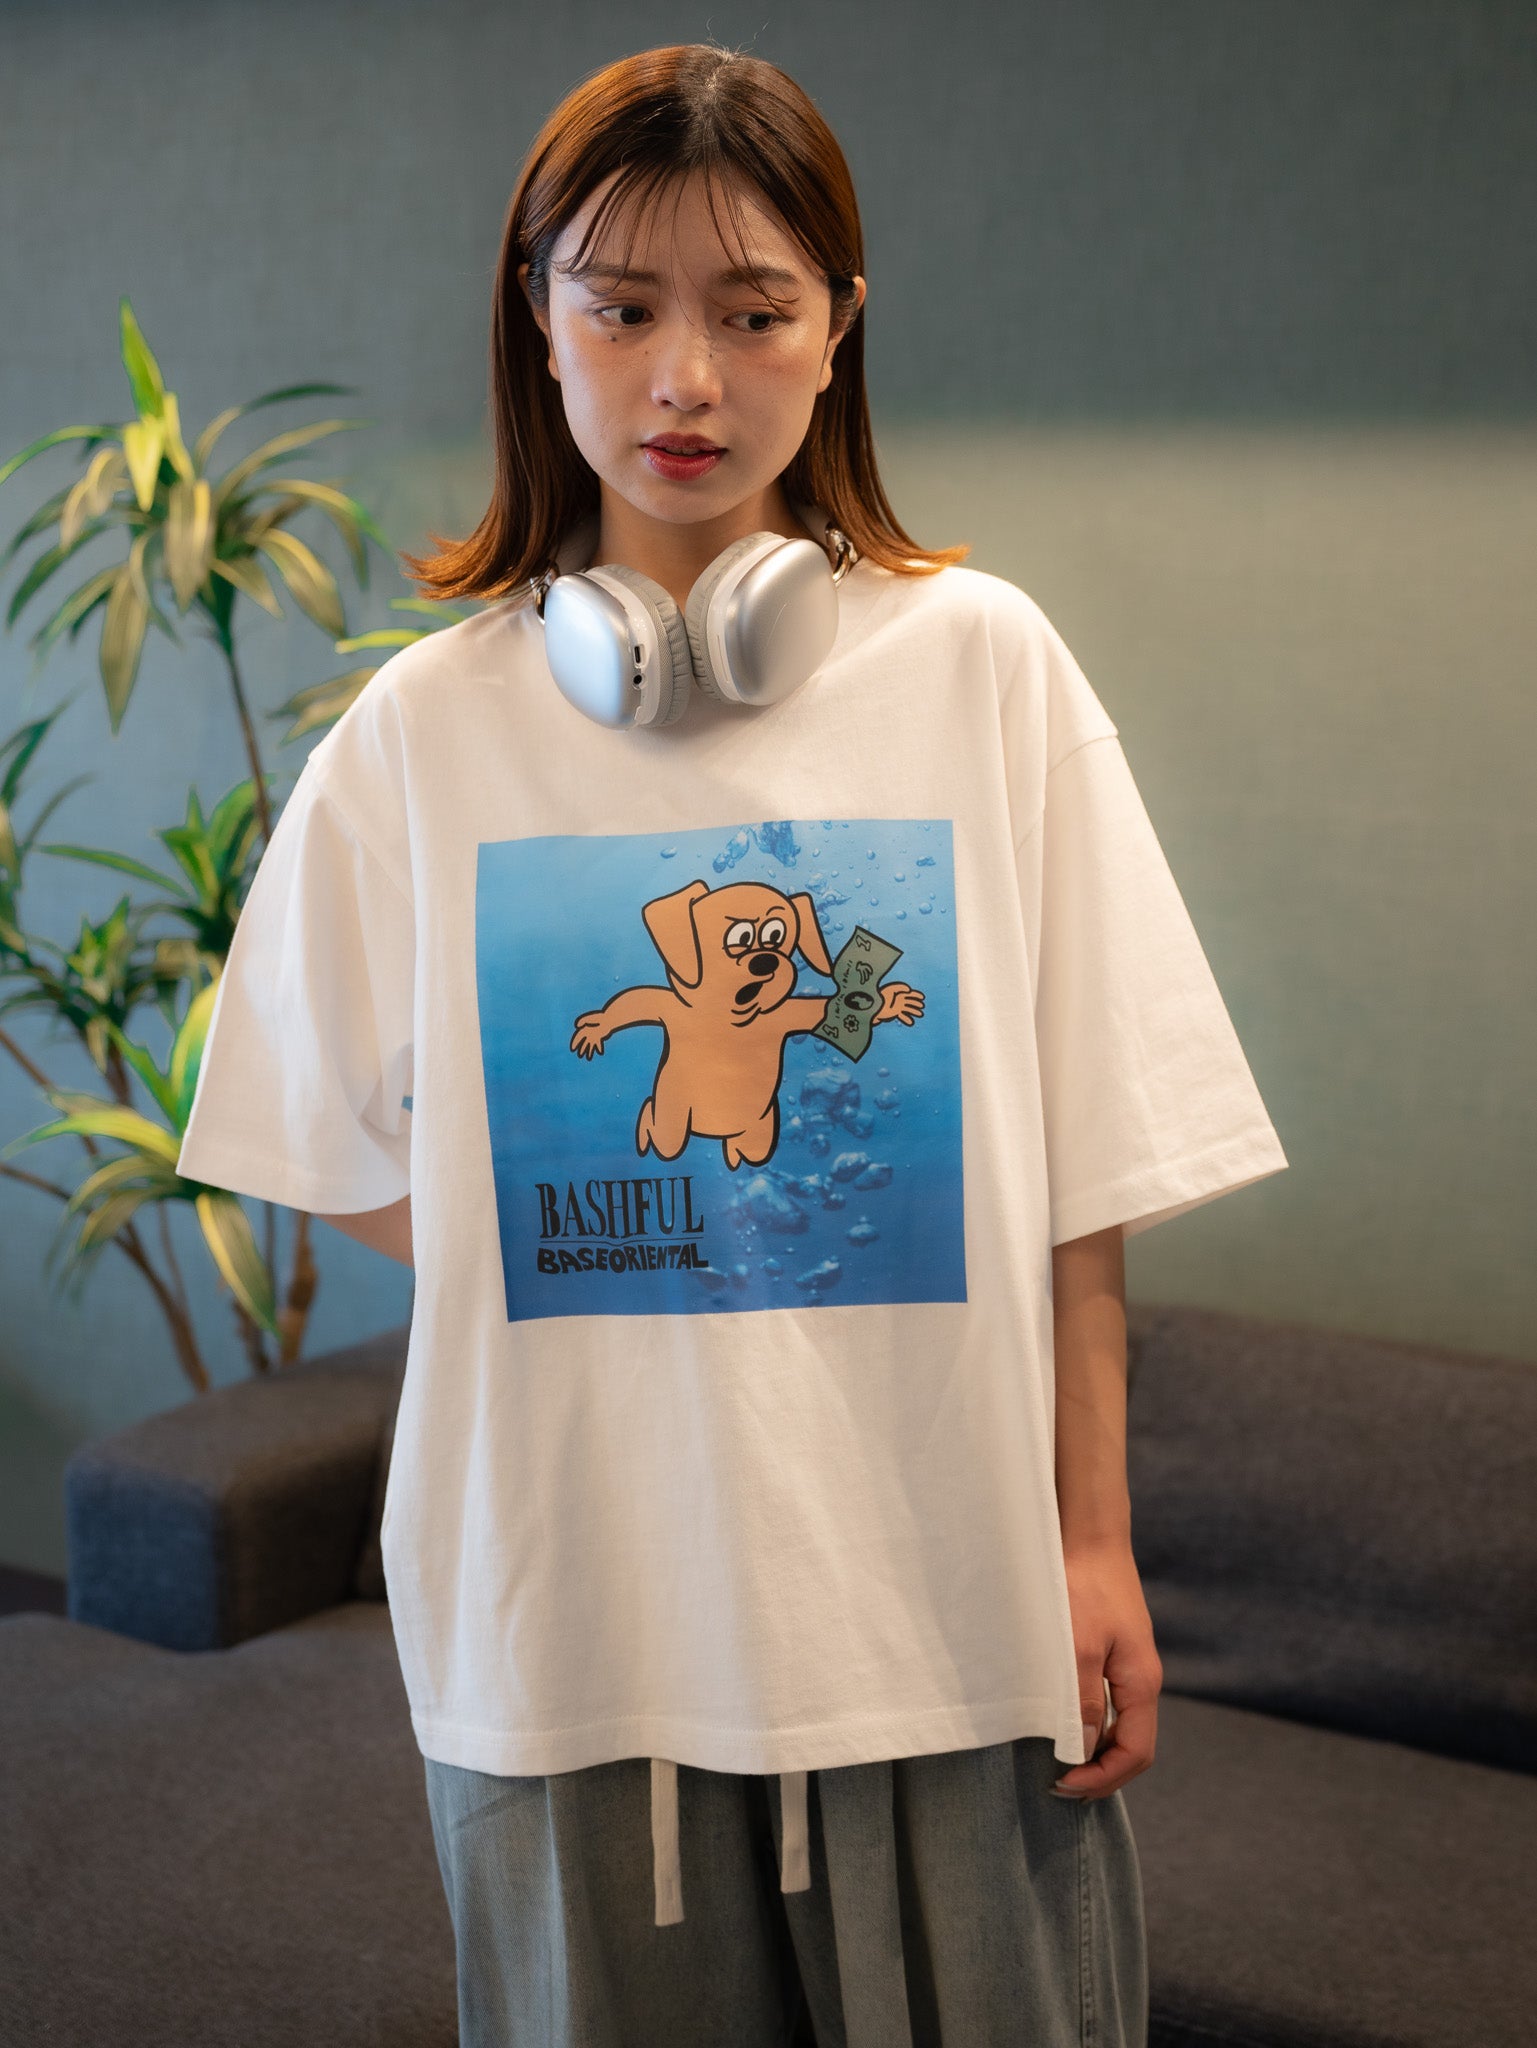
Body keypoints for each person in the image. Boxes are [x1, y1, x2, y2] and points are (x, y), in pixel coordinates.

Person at [176, 40, 1288, 2048]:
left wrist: (1090, 1541)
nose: (684, 378)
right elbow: (313, 1139)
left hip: (942, 1619)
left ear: (837, 329)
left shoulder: (983, 668)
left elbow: (1091, 1170)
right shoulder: (425, 733)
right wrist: (605, 1240)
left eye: (752, 312)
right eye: (621, 308)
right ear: (538, 321)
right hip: (567, 1637)